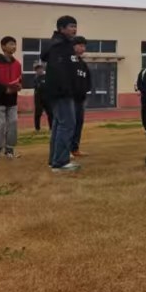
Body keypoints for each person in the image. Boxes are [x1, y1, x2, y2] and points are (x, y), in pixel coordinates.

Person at [42, 15, 84, 173]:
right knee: (67, 124)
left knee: (59, 125)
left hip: (59, 91)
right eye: (71, 26)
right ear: (61, 28)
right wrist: (67, 89)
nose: (74, 29)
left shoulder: (64, 44)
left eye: (75, 26)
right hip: (61, 92)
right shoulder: (59, 46)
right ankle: (60, 162)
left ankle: (54, 160)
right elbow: (59, 70)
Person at [31, 61, 51, 132]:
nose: (39, 70)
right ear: (35, 70)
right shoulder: (35, 78)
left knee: (50, 113)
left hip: (47, 97)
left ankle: (51, 127)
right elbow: (36, 87)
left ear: (43, 69)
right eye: (37, 69)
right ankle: (37, 128)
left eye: (40, 68)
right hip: (38, 98)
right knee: (38, 113)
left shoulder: (47, 77)